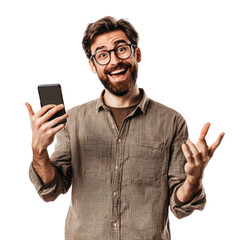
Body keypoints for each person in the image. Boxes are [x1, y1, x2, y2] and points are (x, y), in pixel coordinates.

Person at [25, 16, 224, 240]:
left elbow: (181, 206)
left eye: (121, 49)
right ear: (92, 65)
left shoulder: (172, 122)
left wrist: (194, 178)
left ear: (137, 53)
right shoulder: (73, 120)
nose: (114, 61)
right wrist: (39, 151)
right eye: (102, 55)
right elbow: (52, 189)